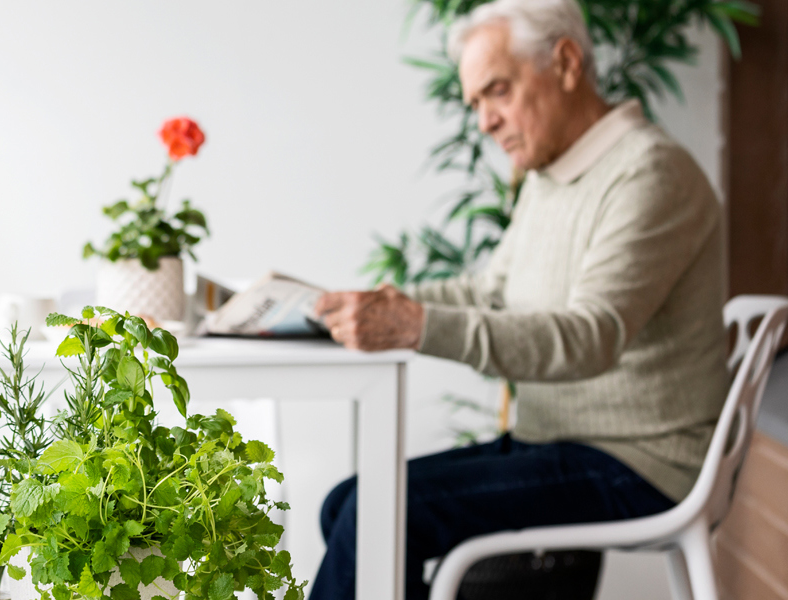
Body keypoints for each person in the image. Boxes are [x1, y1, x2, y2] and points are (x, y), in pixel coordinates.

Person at [308, 0, 727, 598]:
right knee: (345, 504)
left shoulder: (650, 174)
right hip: (561, 440)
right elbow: (490, 291)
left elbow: (591, 336)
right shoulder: (548, 176)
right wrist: (368, 307)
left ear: (564, 62)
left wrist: (415, 326)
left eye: (496, 91)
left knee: (378, 515)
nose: (483, 122)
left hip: (639, 464)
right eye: (475, 103)